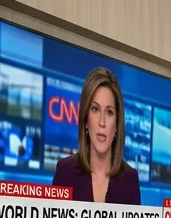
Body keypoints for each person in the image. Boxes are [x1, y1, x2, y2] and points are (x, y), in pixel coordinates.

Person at [51, 67, 141, 205]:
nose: (102, 122)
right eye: (95, 109)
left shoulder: (130, 179)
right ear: (86, 118)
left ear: (117, 124)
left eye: (109, 112)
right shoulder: (65, 171)